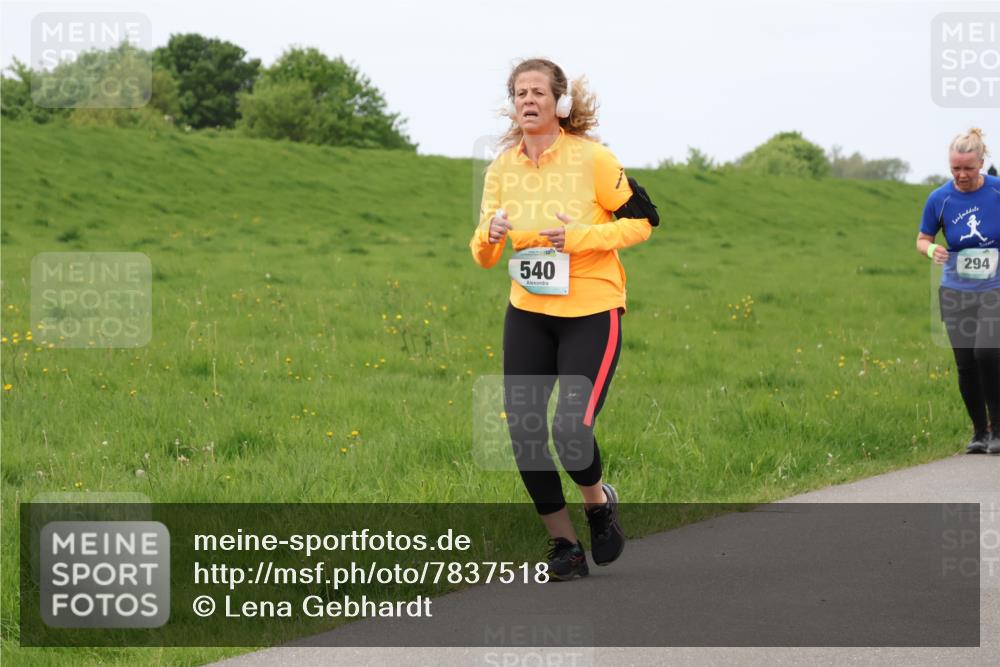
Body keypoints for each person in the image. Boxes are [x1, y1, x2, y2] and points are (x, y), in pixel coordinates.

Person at [469, 58, 657, 581]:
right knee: (525, 433)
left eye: (539, 93)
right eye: (520, 93)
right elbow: (482, 254)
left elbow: (644, 221)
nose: (528, 100)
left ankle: (598, 505)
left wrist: (580, 239)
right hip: (529, 310)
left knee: (570, 430)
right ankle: (565, 546)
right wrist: (491, 233)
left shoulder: (593, 160)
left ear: (560, 104)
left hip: (591, 308)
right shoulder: (502, 168)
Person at [916, 128, 1000, 455]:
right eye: (955, 168)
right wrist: (930, 251)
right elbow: (922, 238)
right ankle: (980, 432)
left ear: (981, 162)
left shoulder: (996, 193)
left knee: (988, 353)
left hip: (995, 288)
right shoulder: (939, 198)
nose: (961, 175)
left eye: (968, 168)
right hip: (955, 290)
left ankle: (998, 430)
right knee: (965, 362)